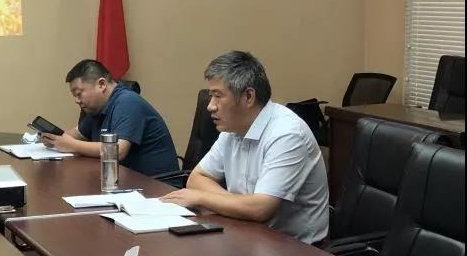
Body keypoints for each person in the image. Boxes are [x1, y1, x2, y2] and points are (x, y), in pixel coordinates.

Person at [161, 51, 329, 244]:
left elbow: (261, 208)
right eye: (210, 96)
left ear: (248, 97)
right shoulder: (232, 129)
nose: (210, 106)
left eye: (218, 96)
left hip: (296, 249)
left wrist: (202, 198)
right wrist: (237, 205)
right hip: (245, 232)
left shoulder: (287, 134)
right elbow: (197, 178)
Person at [41, 59, 179, 176]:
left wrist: (71, 145)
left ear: (101, 84)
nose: (77, 100)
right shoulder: (98, 107)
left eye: (79, 93)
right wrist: (54, 139)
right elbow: (76, 134)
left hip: (156, 185)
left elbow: (118, 151)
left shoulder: (127, 102)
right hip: (122, 179)